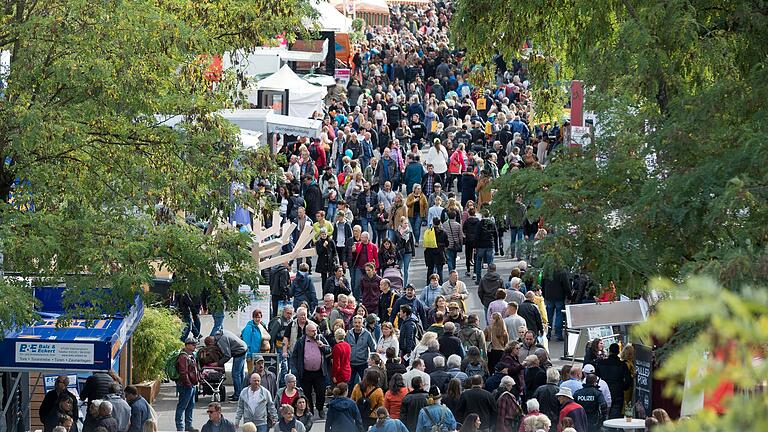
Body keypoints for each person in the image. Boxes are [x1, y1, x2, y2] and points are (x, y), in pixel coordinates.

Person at [290, 322, 331, 418]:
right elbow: (294, 356)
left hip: (319, 372)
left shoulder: (320, 338)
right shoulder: (301, 341)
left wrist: (323, 346)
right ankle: (310, 411)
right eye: (312, 331)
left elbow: (329, 350)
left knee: (321, 392)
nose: (315, 333)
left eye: (315, 330)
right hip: (306, 373)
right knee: (307, 393)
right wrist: (295, 369)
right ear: (307, 332)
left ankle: (320, 409)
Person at [596, 343, 632, 419]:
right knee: (615, 418)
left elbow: (596, 377)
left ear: (609, 351)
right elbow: (628, 380)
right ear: (618, 352)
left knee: (602, 415)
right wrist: (623, 387)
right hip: (617, 391)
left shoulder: (601, 363)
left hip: (603, 391)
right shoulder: (622, 365)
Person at [213, 329, 248, 402]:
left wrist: (218, 363)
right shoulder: (222, 332)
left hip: (239, 352)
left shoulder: (221, 340)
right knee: (240, 374)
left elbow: (227, 355)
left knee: (235, 374)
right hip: (243, 347)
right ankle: (241, 394)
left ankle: (237, 395)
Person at [175, 337, 199, 432]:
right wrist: (188, 384)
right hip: (185, 385)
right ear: (187, 345)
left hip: (191, 385)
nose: (195, 347)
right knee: (182, 407)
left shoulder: (191, 355)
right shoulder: (183, 357)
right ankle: (180, 427)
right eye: (193, 345)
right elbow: (183, 372)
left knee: (190, 406)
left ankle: (188, 426)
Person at [243, 309, 272, 373]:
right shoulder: (249, 327)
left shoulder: (262, 325)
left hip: (263, 355)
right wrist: (248, 355)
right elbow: (246, 342)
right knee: (252, 373)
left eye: (259, 317)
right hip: (253, 355)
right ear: (253, 317)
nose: (257, 319)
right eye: (255, 317)